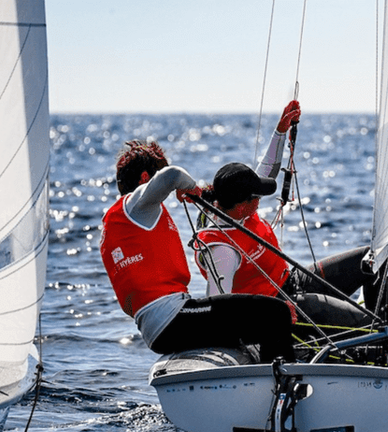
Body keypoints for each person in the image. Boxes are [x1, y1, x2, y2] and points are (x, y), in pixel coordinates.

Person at [99, 140, 294, 362]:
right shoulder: (136, 206)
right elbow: (172, 175)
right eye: (154, 176)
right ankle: (285, 384)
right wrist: (189, 186)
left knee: (257, 319)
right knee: (277, 312)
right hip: (172, 319)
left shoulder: (117, 225)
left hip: (156, 329)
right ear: (145, 178)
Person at [193, 101, 379, 327]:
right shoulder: (222, 251)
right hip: (278, 306)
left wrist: (280, 131)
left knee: (374, 258)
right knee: (366, 323)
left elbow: (267, 170)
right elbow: (219, 305)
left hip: (293, 281)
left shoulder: (231, 204)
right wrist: (271, 313)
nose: (261, 201)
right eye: (257, 198)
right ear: (241, 205)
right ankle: (374, 337)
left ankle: (381, 323)